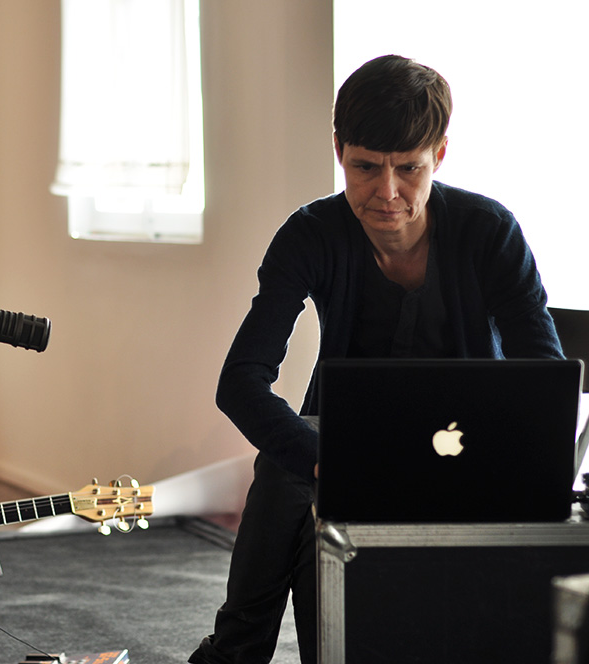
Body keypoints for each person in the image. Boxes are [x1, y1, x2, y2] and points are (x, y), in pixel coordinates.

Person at [189, 55, 564, 664]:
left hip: (465, 451)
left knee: (287, 480)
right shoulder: (310, 234)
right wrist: (324, 457)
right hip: (342, 454)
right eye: (365, 167)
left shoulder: (490, 231)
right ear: (339, 151)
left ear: (439, 155)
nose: (387, 192)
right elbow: (240, 382)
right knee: (287, 465)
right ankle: (241, 648)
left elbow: (542, 382)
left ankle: (231, 653)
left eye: (408, 168)